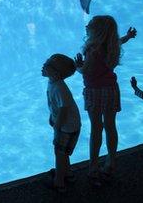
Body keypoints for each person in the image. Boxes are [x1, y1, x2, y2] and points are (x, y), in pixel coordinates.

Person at [73, 15, 136, 186]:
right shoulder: (111, 45)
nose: (87, 25)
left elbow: (88, 71)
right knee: (110, 126)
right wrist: (128, 37)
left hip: (95, 92)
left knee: (96, 128)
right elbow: (119, 41)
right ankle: (111, 161)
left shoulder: (93, 51)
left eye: (90, 25)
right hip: (111, 90)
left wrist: (78, 66)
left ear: (97, 31)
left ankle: (93, 166)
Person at [42, 53, 81, 193]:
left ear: (56, 73)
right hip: (70, 125)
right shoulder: (53, 82)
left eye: (48, 65)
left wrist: (57, 126)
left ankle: (59, 182)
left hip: (66, 127)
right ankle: (68, 173)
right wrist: (52, 117)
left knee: (59, 152)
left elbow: (64, 109)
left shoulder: (59, 88)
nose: (43, 65)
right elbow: (56, 106)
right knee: (63, 153)